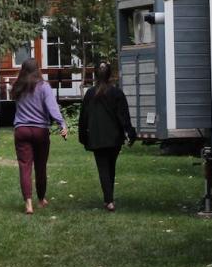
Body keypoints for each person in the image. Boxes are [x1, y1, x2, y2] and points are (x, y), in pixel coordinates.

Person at [11, 57, 68, 215]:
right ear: (38, 69)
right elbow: (52, 108)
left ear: (23, 70)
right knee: (40, 167)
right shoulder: (44, 87)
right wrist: (62, 124)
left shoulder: (18, 86)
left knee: (25, 167)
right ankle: (41, 199)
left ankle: (28, 204)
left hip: (21, 130)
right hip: (40, 132)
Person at [78, 61, 136, 211]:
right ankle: (109, 198)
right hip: (114, 137)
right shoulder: (116, 93)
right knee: (111, 167)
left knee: (103, 168)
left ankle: (109, 200)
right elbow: (124, 116)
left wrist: (83, 136)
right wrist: (130, 132)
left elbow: (83, 117)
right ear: (110, 74)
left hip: (97, 137)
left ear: (95, 74)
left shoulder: (90, 94)